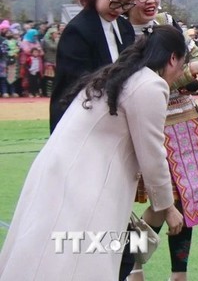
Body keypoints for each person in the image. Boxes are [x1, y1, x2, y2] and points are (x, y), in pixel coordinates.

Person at [0, 25, 187, 280]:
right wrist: (168, 207)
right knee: (82, 259)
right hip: (87, 183)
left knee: (46, 250)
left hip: (61, 172)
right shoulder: (151, 85)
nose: (179, 74)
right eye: (181, 66)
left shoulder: (119, 74)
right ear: (173, 58)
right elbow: (153, 153)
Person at [125, 0, 198, 281]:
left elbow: (192, 54)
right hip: (148, 123)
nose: (150, 0)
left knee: (185, 196)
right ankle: (134, 265)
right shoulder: (123, 31)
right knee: (160, 198)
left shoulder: (168, 23)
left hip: (184, 119)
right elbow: (144, 80)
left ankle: (178, 273)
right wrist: (191, 71)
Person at [49, 0, 139, 133]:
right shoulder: (77, 31)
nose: (119, 9)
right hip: (79, 124)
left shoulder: (124, 27)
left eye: (126, 4)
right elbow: (79, 86)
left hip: (111, 123)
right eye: (114, 1)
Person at [42, 26, 60, 97]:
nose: (56, 35)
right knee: (49, 78)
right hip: (49, 61)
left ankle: (54, 92)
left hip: (56, 61)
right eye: (55, 34)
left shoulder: (56, 40)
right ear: (51, 34)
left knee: (55, 78)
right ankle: (48, 92)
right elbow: (53, 47)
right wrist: (58, 40)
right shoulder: (47, 41)